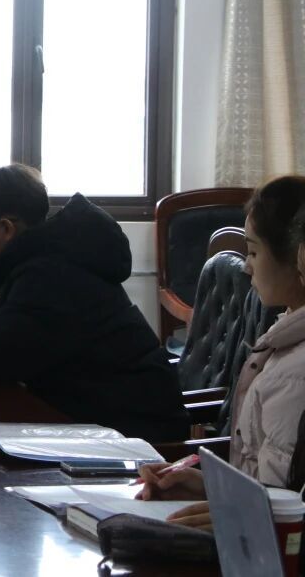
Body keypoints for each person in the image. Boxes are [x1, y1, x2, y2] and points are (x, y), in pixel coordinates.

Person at [0, 164, 189, 442]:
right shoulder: (44, 261)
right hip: (97, 418)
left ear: (5, 229)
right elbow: (2, 341)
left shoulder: (50, 274)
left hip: (132, 434)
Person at [139, 176, 305, 530]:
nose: (247, 266)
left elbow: (283, 513)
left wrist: (226, 512)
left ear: (300, 258)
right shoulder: (285, 341)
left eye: (254, 252)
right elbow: (267, 488)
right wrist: (207, 487)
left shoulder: (297, 372)